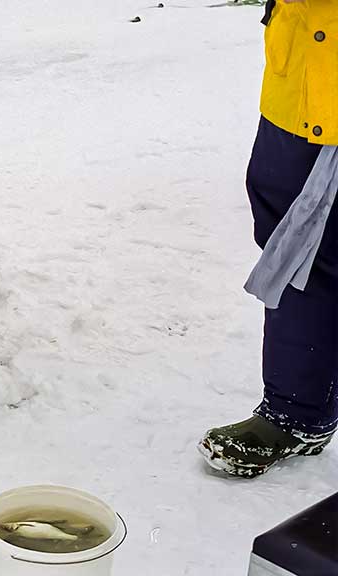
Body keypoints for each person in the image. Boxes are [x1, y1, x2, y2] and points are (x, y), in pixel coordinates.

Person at [199, 0, 336, 478]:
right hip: (294, 88)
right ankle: (298, 410)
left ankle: (298, 410)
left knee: (316, 255)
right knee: (292, 255)